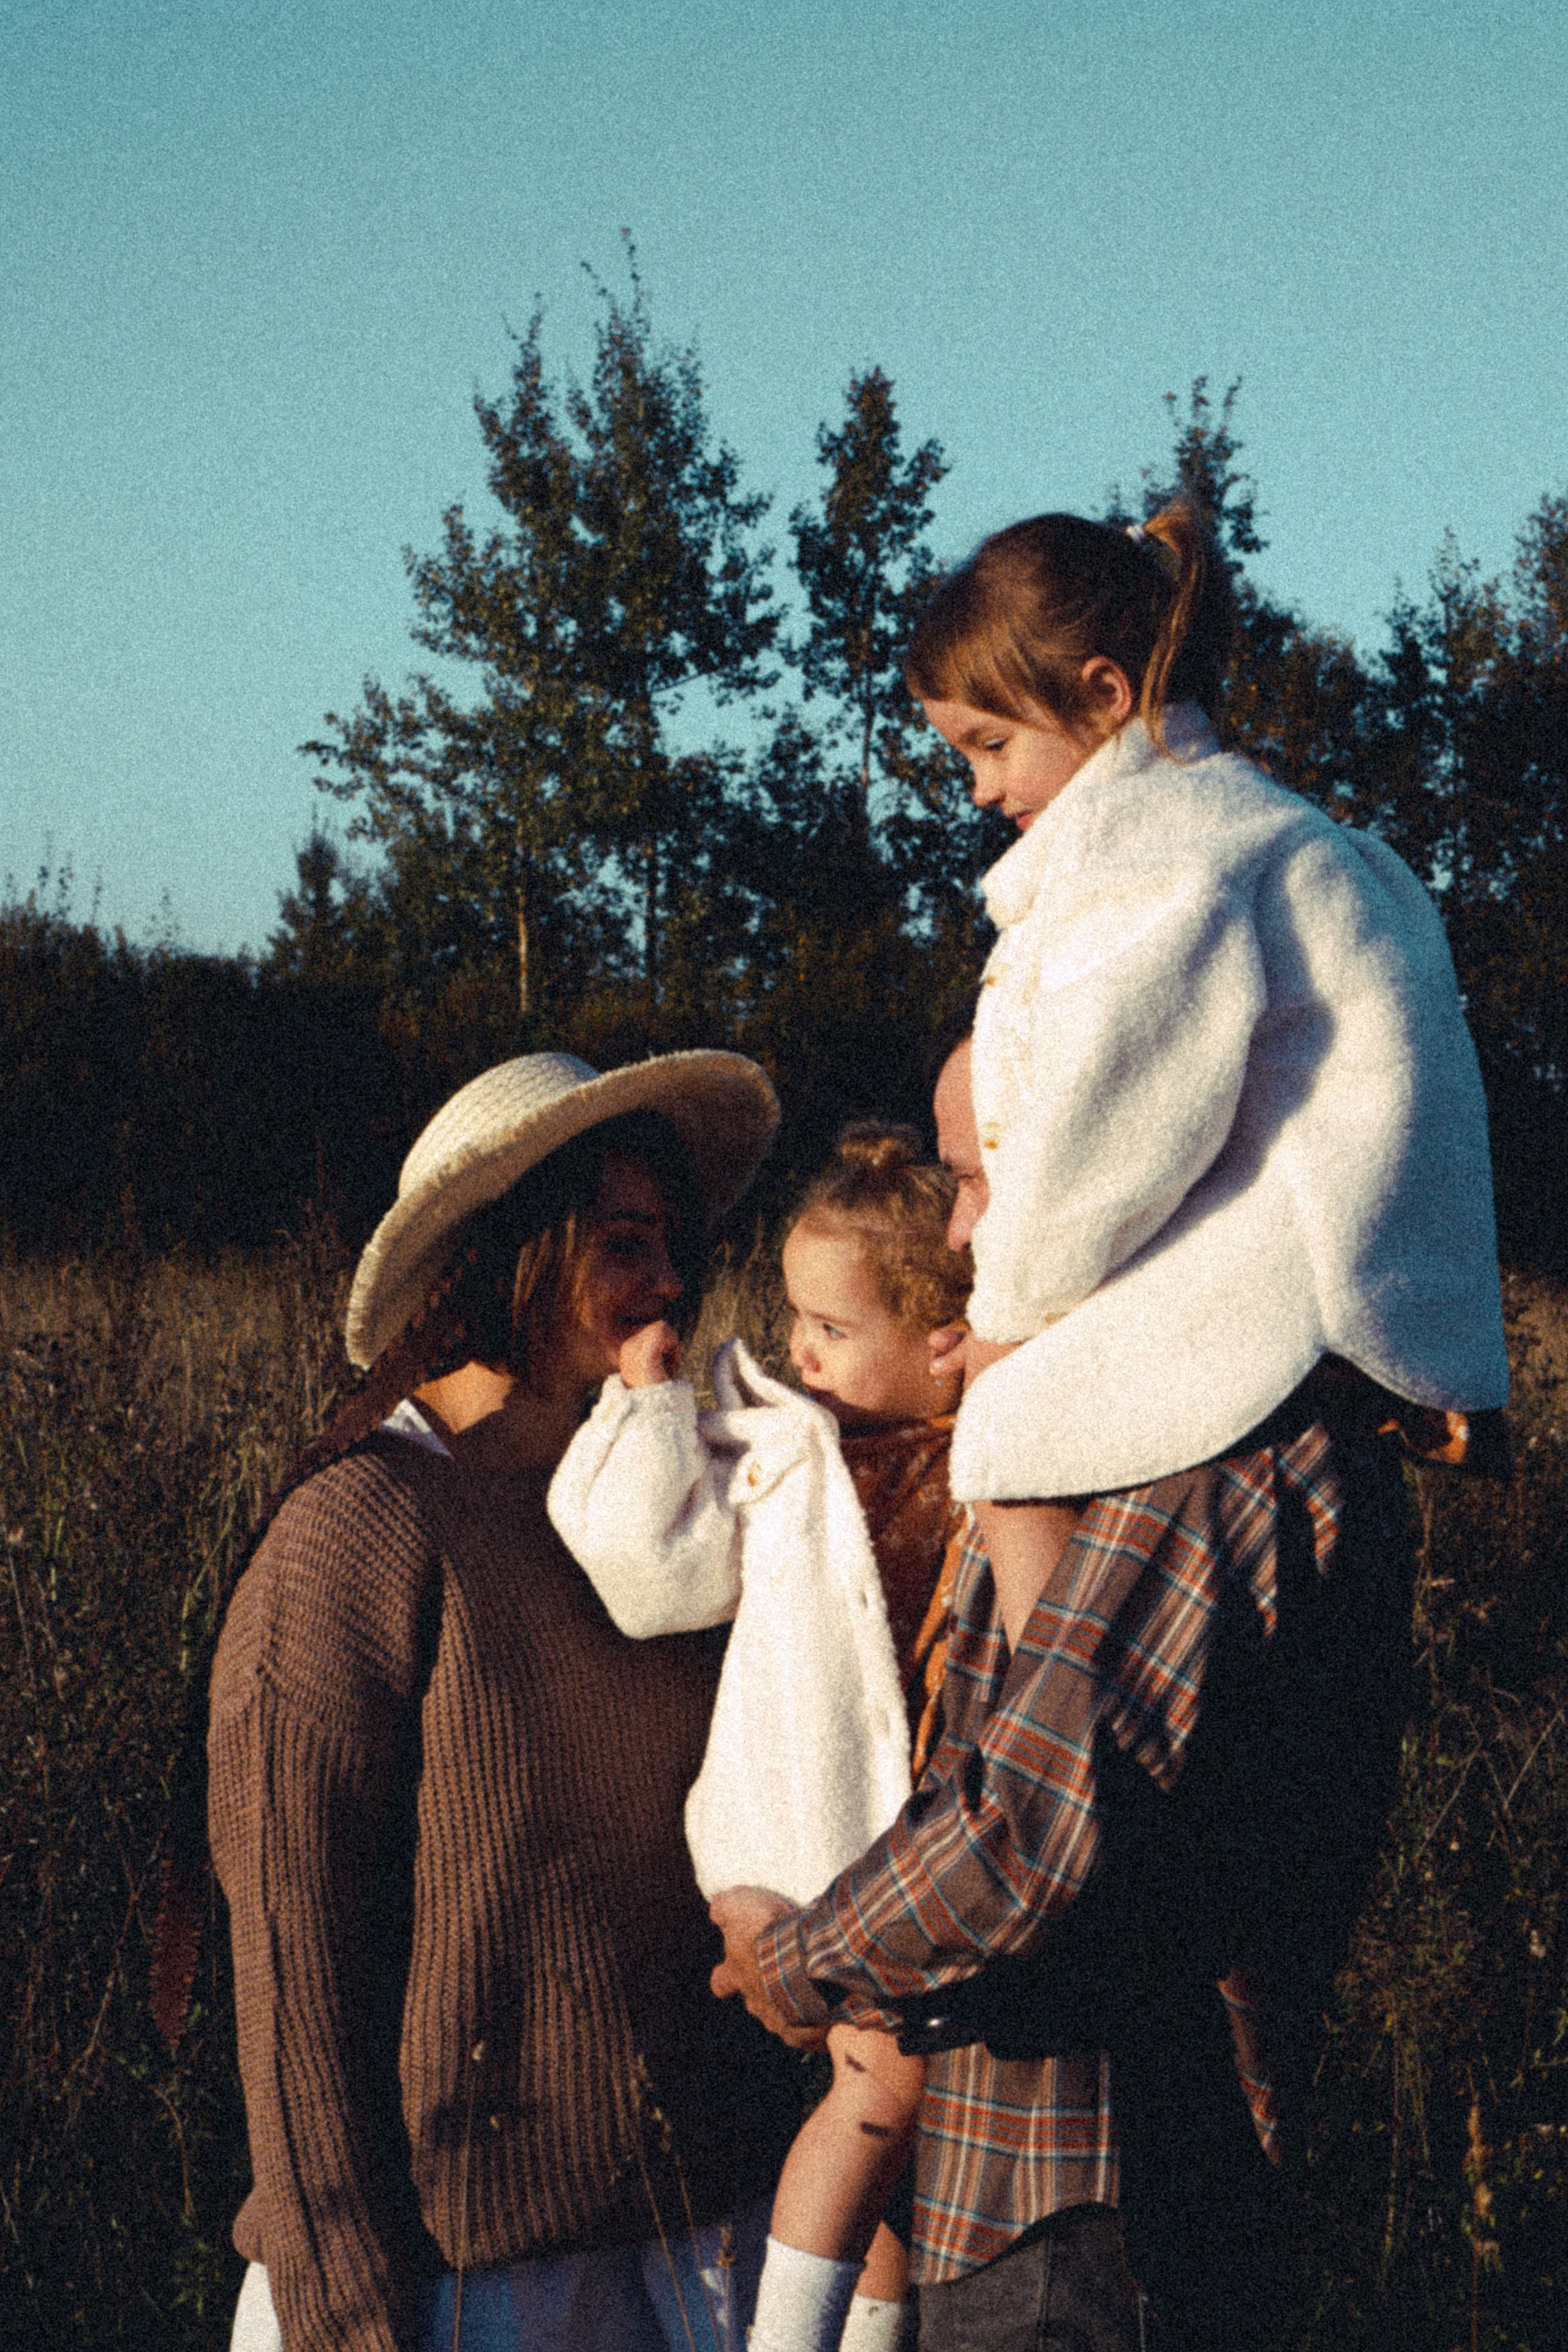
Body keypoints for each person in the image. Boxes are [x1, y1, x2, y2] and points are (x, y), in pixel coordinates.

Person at [709, 502, 1509, 2350]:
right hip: (1056, 2200)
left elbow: (1029, 1825)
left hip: (1096, 2214)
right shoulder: (1206, 1418)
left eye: (993, 749)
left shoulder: (1222, 1450)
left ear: (1098, 695)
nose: (973, 1214)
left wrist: (798, 1955)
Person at [209, 1050, 803, 2352]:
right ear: (516, 1251)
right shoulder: (360, 1528)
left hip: (701, 2249)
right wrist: (349, 2319)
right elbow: (295, 1968)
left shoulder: (675, 1502)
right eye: (621, 1243)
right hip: (463, 2287)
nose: (668, 1284)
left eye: (672, 1243)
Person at [548, 1125, 983, 2352]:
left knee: (921, 2120)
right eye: (795, 1318)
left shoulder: (983, 1450)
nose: (797, 1348)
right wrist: (648, 1404)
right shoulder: (784, 1443)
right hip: (800, 1833)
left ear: (941, 1348)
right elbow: (649, 1570)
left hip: (911, 1847)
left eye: (833, 1329)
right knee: (880, 2087)